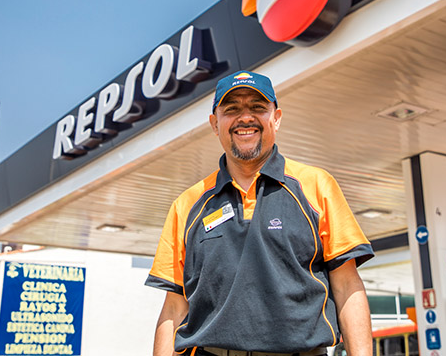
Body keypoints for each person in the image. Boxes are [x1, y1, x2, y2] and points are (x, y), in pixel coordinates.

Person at [145, 71, 374, 356]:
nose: (245, 118)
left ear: (276, 118)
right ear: (215, 124)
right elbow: (175, 306)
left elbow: (346, 285)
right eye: (232, 109)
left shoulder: (316, 186)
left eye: (257, 107)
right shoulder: (187, 204)